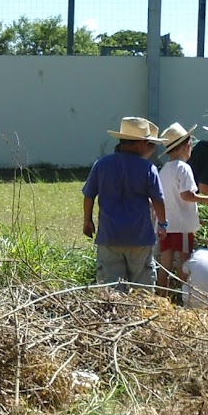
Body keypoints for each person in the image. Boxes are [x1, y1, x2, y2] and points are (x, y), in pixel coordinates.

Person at [81, 117, 166, 293]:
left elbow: (89, 195)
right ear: (141, 143)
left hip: (109, 235)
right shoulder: (148, 168)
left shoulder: (101, 165)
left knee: (111, 290)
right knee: (143, 289)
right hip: (140, 237)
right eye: (149, 143)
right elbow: (158, 199)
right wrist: (163, 224)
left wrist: (87, 221)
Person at [155, 122, 208, 298]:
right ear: (186, 145)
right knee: (185, 262)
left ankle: (162, 297)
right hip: (182, 226)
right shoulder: (184, 167)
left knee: (165, 262)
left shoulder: (164, 170)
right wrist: (205, 199)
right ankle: (184, 297)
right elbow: (186, 195)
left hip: (166, 225)